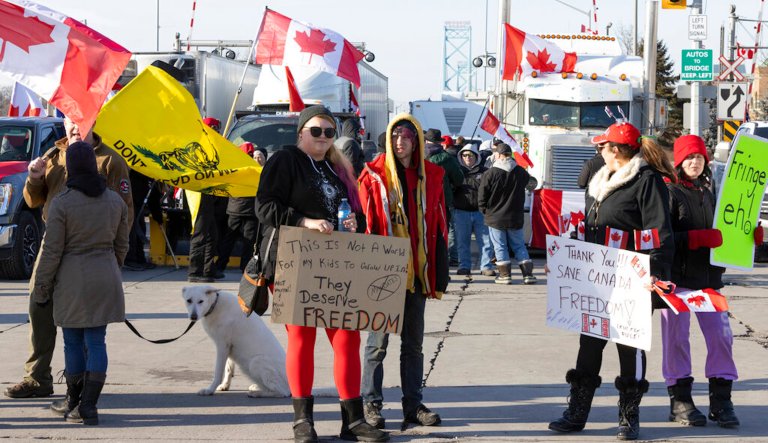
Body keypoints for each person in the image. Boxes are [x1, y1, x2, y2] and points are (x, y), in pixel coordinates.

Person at [256, 105, 388, 443]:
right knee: (302, 338)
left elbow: (353, 211)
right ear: (301, 132)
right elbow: (265, 207)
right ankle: (303, 422)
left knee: (348, 339)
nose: (323, 137)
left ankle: (353, 421)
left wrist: (352, 222)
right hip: (294, 258)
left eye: (329, 132)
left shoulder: (336, 168)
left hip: (336, 263)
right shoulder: (285, 160)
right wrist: (305, 221)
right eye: (316, 130)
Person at [548, 121, 676, 440]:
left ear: (616, 150)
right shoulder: (601, 180)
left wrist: (654, 272)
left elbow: (658, 231)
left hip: (631, 277)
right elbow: (595, 226)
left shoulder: (646, 181)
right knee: (589, 344)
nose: (599, 151)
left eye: (602, 147)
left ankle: (629, 416)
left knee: (628, 346)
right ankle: (577, 412)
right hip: (597, 277)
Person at [5, 116, 132, 400]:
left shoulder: (111, 161)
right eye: (70, 122)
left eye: (82, 122)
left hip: (90, 253)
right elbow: (33, 201)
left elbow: (125, 213)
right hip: (51, 247)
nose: (75, 128)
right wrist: (34, 178)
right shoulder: (52, 156)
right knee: (39, 309)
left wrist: (116, 260)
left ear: (95, 120)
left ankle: (83, 386)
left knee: (85, 322)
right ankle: (37, 378)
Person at [358, 115, 449, 430]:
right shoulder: (374, 176)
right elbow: (362, 221)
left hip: (417, 272)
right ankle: (370, 405)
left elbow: (439, 223)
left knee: (413, 344)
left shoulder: (432, 176)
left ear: (417, 141)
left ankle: (413, 406)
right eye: (395, 136)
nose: (400, 142)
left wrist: (440, 267)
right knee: (376, 345)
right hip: (382, 273)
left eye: (407, 136)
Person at [30, 141, 129, 425]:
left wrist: (42, 288)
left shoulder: (63, 202)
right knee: (97, 341)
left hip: (72, 279)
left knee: (72, 342)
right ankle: (89, 406)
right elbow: (122, 245)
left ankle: (73, 401)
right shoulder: (114, 201)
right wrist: (111, 267)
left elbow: (51, 252)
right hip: (106, 274)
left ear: (71, 168)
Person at [661, 134, 741, 428]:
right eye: (689, 157)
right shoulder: (668, 192)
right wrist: (693, 239)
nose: (695, 162)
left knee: (722, 337)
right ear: (679, 162)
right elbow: (661, 237)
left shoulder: (707, 192)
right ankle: (680, 400)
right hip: (677, 280)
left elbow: (722, 231)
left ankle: (721, 401)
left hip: (709, 280)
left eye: (699, 157)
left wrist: (748, 241)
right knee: (677, 338)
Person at [478, 143, 537, 285]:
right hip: (515, 216)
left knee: (500, 246)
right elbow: (532, 184)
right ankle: (527, 275)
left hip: (495, 217)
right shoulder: (521, 172)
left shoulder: (490, 173)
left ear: (497, 155)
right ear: (510, 155)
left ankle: (505, 275)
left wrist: (484, 210)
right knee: (519, 245)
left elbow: (482, 195)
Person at [215, 142, 262, 273]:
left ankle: (220, 264)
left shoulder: (234, 168)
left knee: (229, 239)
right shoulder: (256, 169)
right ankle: (245, 267)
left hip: (234, 209)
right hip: (251, 211)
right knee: (249, 241)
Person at [188, 118, 224, 283]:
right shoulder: (198, 145)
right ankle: (195, 271)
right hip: (200, 193)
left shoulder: (211, 145)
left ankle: (208, 270)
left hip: (209, 194)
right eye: (215, 128)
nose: (217, 131)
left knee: (212, 235)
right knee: (201, 234)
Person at [453, 143, 494, 277]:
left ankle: (486, 266)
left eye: (470, 155)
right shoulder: (457, 171)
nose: (467, 157)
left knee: (486, 242)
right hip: (460, 212)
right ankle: (464, 266)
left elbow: (490, 190)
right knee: (462, 242)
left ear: (476, 156)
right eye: (464, 155)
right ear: (460, 157)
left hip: (480, 213)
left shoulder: (484, 171)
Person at [424, 128, 463, 266]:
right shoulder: (448, 159)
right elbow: (459, 179)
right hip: (443, 201)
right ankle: (445, 260)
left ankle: (426, 261)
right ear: (439, 142)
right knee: (444, 232)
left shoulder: (418, 157)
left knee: (424, 231)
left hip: (421, 201)